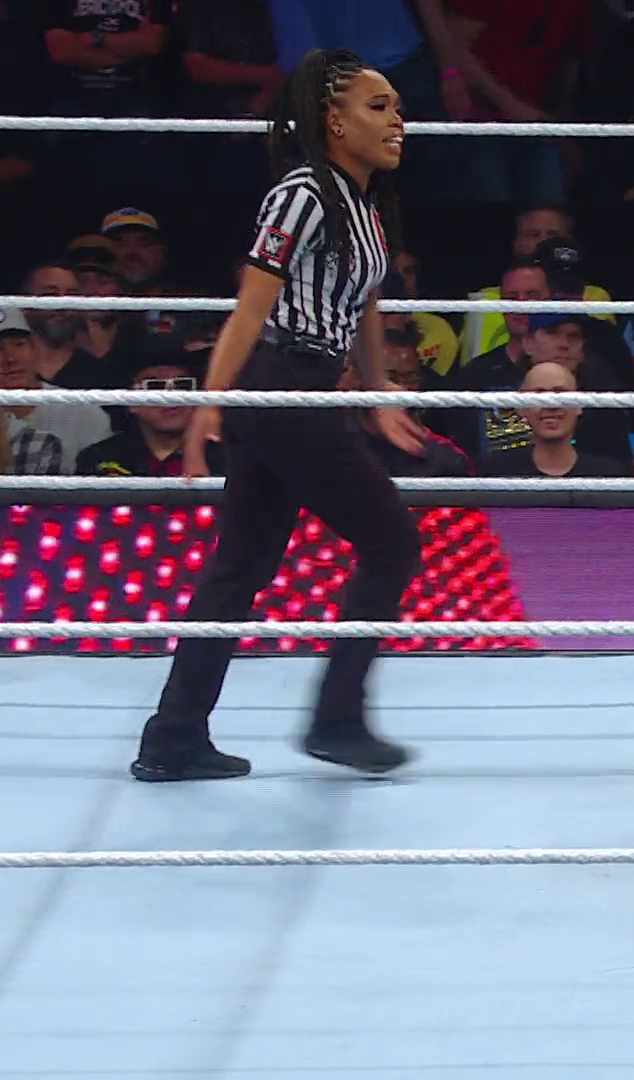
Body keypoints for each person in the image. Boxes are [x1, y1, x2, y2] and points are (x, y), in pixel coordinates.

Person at [129, 49, 426, 783]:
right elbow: (250, 307)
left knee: (239, 568)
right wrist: (210, 403)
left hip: (304, 388)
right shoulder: (301, 193)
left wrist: (379, 394)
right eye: (379, 106)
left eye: (397, 106)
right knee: (391, 541)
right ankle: (336, 719)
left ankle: (173, 737)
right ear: (334, 121)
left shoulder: (364, 205)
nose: (398, 120)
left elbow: (364, 307)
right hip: (280, 384)